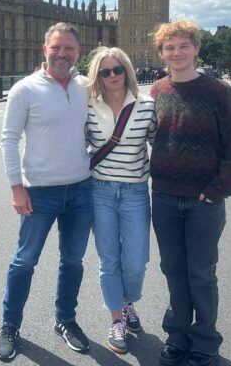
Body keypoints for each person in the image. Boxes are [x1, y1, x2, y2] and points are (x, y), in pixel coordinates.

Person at [0, 22, 92, 361]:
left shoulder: (85, 87)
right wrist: (16, 187)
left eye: (69, 48)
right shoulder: (24, 89)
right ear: (44, 50)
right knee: (24, 262)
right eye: (56, 47)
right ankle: (10, 325)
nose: (62, 53)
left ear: (78, 52)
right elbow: (8, 139)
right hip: (39, 192)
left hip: (81, 189)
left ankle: (65, 320)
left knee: (73, 261)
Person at [150, 20, 231, 366]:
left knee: (201, 273)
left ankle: (205, 339)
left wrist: (219, 189)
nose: (177, 53)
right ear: (162, 53)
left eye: (183, 46)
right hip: (163, 197)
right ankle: (177, 334)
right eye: (170, 47)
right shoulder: (157, 91)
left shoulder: (219, 92)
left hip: (203, 200)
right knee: (173, 269)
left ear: (196, 49)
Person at [86, 47, 156, 355]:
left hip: (135, 192)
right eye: (105, 71)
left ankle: (128, 301)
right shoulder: (88, 106)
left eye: (118, 70)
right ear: (97, 76)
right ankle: (117, 316)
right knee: (109, 259)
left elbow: (165, 145)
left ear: (127, 71)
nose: (112, 75)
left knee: (136, 260)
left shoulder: (147, 106)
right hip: (99, 190)